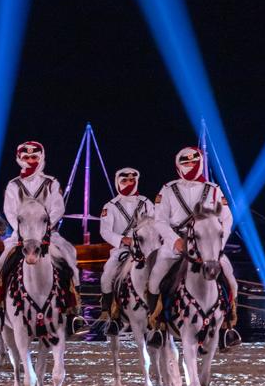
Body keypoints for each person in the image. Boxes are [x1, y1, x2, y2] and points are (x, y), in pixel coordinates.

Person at [147, 147, 240, 347]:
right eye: (185, 162)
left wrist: (217, 246)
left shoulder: (213, 189)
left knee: (231, 278)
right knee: (155, 279)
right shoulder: (168, 189)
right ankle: (157, 325)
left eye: (193, 162)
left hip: (207, 245)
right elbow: (159, 221)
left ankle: (228, 327)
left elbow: (227, 219)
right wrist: (175, 241)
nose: (190, 166)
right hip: (177, 244)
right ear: (178, 164)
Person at [0, 141, 83, 334]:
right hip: (20, 236)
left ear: (41, 158)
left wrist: (45, 229)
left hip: (48, 234)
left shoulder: (52, 183)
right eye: (26, 158)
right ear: (20, 159)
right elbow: (9, 211)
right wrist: (23, 232)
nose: (30, 161)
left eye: (34, 157)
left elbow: (58, 207)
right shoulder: (13, 185)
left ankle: (74, 312)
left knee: (70, 260)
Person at [98, 168, 153, 335]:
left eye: (131, 180)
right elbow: (105, 231)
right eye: (125, 181)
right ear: (118, 182)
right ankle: (109, 312)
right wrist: (122, 240)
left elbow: (155, 223)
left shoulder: (146, 203)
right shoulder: (110, 206)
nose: (129, 184)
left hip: (145, 248)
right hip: (122, 249)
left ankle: (161, 313)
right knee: (107, 275)